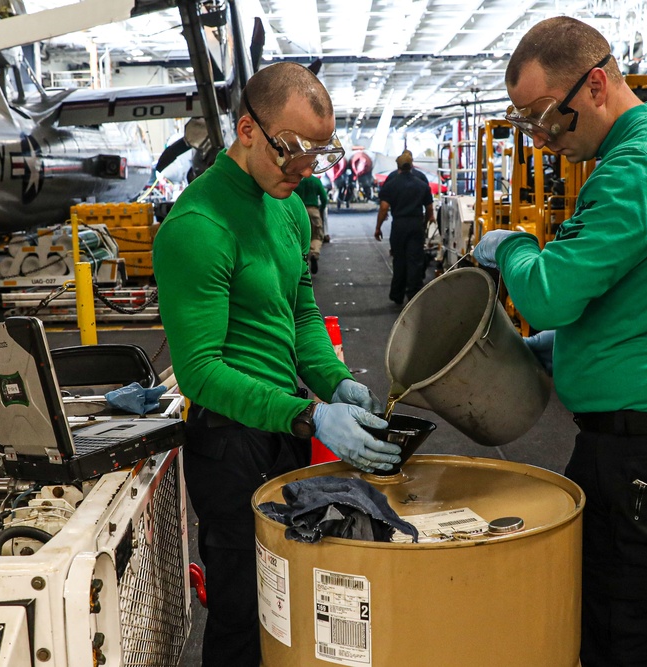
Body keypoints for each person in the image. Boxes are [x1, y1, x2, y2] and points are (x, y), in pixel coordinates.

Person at [472, 17, 647, 667]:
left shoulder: (635, 168)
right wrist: (569, 348)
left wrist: (509, 245)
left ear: (596, 84)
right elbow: (641, 290)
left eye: (547, 118)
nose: (545, 141)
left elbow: (546, 294)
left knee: (623, 637)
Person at [152, 62, 401, 667]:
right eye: (292, 151)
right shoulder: (198, 227)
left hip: (283, 427)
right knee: (242, 612)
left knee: (290, 602)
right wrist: (308, 416)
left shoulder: (283, 204)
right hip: (230, 443)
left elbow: (302, 314)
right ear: (246, 130)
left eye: (318, 154)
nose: (305, 170)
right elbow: (201, 372)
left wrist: (334, 381)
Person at [374, 150, 435, 306]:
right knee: (415, 260)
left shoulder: (391, 183)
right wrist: (427, 223)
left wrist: (378, 227)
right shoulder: (422, 183)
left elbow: (383, 208)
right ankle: (413, 294)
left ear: (398, 165)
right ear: (412, 165)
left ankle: (397, 294)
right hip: (416, 224)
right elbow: (429, 209)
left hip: (399, 225)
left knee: (399, 259)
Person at [294, 174, 328, 273]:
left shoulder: (296, 179)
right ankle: (314, 253)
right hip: (313, 211)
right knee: (317, 236)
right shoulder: (316, 181)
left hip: (299, 211)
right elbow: (324, 198)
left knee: (299, 237)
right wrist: (321, 210)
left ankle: (301, 261)